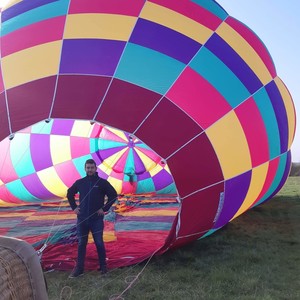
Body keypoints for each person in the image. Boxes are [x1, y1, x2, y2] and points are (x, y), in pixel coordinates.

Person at [67, 159, 118, 278]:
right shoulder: (80, 182)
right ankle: (79, 269)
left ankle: (103, 267)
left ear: (96, 168)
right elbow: (70, 193)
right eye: (88, 168)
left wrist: (104, 208)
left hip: (96, 219)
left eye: (92, 167)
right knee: (81, 243)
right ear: (85, 169)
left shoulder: (102, 182)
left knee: (99, 242)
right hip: (82, 219)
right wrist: (74, 207)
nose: (90, 170)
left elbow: (113, 195)